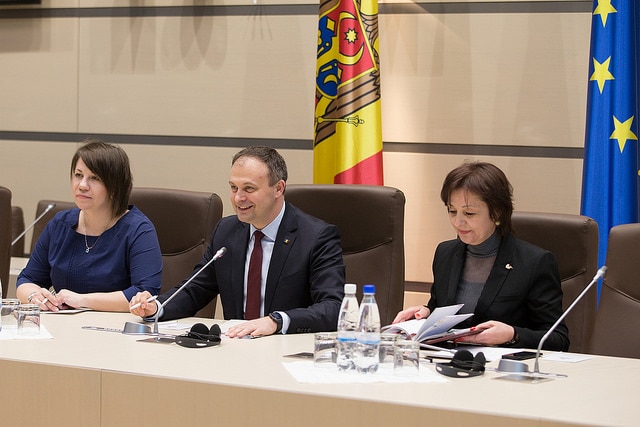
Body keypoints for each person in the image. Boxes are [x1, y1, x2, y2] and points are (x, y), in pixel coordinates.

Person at [130, 146, 345, 338]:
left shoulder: (316, 236)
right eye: (234, 188)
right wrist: (157, 307)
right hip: (235, 348)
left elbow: (332, 308)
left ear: (278, 188)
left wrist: (276, 321)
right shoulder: (227, 230)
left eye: (249, 189)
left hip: (287, 352)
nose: (238, 198)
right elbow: (195, 289)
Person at [393, 161, 569, 351]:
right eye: (452, 211)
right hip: (449, 363)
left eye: (469, 213)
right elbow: (442, 309)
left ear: (497, 212)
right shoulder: (445, 253)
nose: (458, 222)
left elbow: (558, 339)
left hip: (502, 370)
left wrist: (512, 334)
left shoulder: (535, 262)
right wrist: (425, 313)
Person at [16, 139, 163, 312]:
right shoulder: (59, 224)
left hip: (114, 331)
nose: (82, 185)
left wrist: (81, 300)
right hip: (61, 328)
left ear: (115, 187)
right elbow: (26, 280)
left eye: (94, 178)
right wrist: (35, 297)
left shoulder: (138, 230)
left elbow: (145, 294)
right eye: (78, 175)